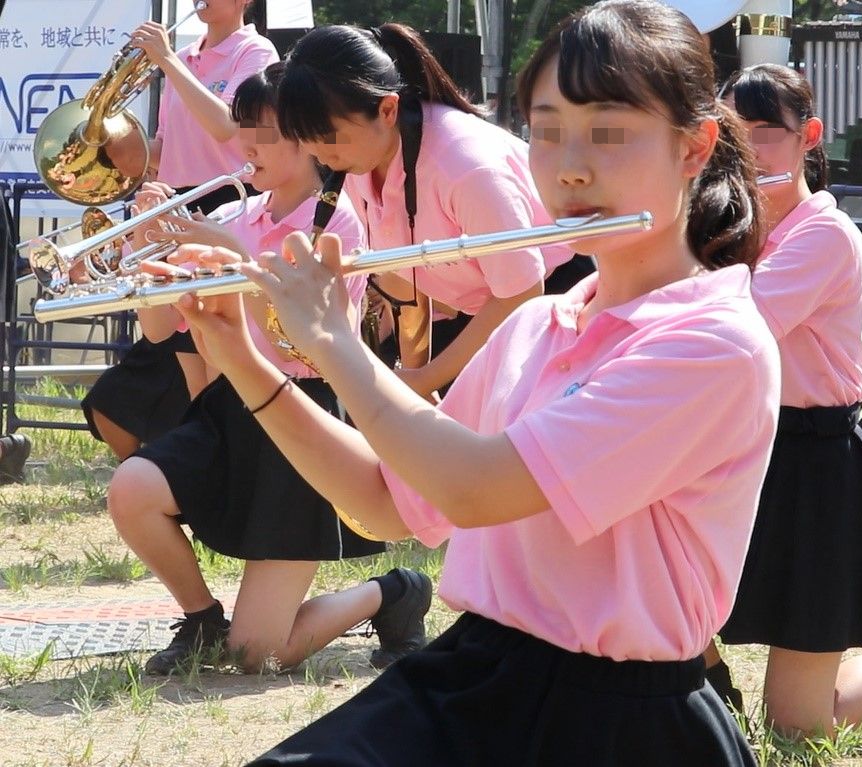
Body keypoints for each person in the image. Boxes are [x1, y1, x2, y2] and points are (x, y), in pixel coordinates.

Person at [175, 2, 780, 763]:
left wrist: (334, 343)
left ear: (694, 147)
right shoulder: (539, 325)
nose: (571, 166)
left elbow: (473, 488)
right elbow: (383, 501)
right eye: (547, 131)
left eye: (608, 132)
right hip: (479, 672)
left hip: (620, 719)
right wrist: (239, 352)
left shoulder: (714, 343)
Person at [106, 64, 431, 677]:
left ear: (308, 138)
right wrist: (145, 252)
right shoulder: (236, 215)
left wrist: (237, 260)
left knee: (257, 656)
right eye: (244, 129)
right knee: (131, 488)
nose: (247, 146)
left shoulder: (337, 222)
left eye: (265, 132)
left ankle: (391, 593)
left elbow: (309, 344)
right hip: (230, 407)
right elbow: (158, 332)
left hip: (302, 410)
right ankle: (201, 618)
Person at [704, 63, 862, 743]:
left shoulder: (825, 233)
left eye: (766, 132)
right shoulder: (720, 226)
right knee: (648, 589)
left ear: (809, 137)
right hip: (732, 450)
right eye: (731, 133)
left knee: (798, 728)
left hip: (810, 463)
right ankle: (712, 702)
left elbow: (734, 331)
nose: (748, 149)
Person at [273, 21, 578, 398]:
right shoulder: (359, 157)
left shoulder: (466, 168)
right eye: (306, 140)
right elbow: (405, 278)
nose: (319, 155)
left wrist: (426, 380)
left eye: (327, 138)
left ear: (387, 109)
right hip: (488, 315)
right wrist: (415, 378)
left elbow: (521, 293)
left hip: (557, 302)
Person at [80, 0, 278, 459]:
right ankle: (183, 459)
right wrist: (112, 145)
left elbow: (227, 126)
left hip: (229, 206)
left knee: (204, 352)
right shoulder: (184, 58)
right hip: (177, 204)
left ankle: (204, 456)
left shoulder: (254, 51)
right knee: (172, 345)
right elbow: (163, 147)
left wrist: (168, 60)